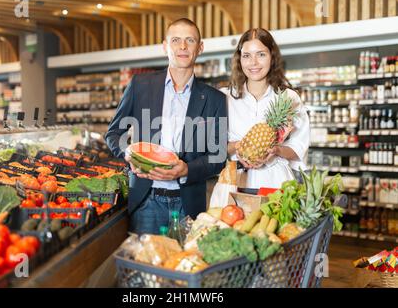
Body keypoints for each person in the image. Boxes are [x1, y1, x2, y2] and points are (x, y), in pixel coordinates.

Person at [105, 18, 227, 234]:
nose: (182, 47)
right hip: (146, 201)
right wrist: (130, 155)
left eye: (190, 40)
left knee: (185, 266)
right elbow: (114, 133)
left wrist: (187, 169)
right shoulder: (140, 85)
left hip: (188, 205)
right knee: (145, 266)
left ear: (200, 48)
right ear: (165, 46)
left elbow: (217, 156)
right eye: (176, 40)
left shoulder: (214, 98)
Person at [221, 28, 310, 189]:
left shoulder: (289, 98)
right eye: (247, 56)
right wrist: (238, 146)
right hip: (235, 181)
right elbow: (213, 146)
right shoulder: (225, 97)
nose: (253, 62)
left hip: (276, 182)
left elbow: (299, 146)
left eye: (261, 54)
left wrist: (276, 150)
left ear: (272, 57)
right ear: (239, 59)